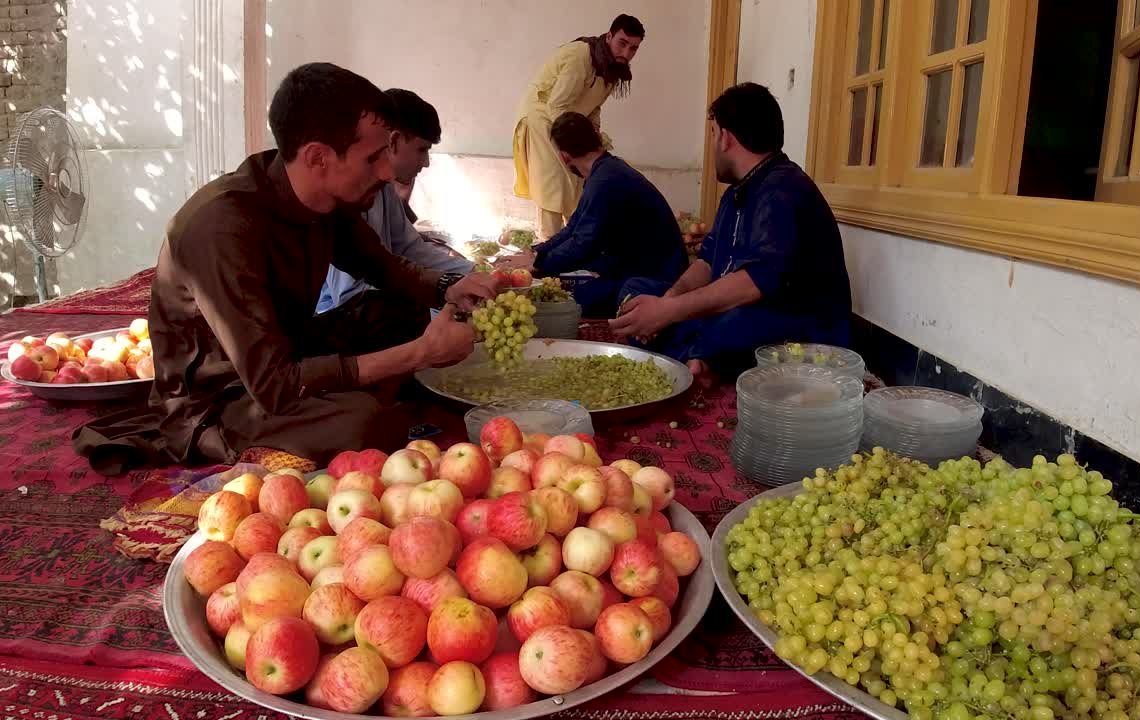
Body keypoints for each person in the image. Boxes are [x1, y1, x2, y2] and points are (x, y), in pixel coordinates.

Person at [72, 63, 502, 474]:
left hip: (291, 351)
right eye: (373, 158)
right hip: (223, 397)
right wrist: (420, 353)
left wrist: (449, 286)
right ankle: (335, 411)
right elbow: (274, 383)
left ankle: (349, 398)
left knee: (398, 310)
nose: (389, 172)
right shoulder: (222, 227)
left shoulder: (324, 200)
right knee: (363, 426)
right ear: (318, 157)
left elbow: (383, 267)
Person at [609, 82, 852, 381]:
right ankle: (697, 358)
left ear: (725, 137)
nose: (712, 144)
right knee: (638, 289)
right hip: (740, 311)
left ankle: (699, 358)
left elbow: (754, 284)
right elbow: (708, 260)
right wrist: (667, 302)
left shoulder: (782, 189)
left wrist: (668, 312)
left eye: (712, 134)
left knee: (729, 324)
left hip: (795, 325)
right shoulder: (738, 190)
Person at [500, 112, 686, 318]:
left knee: (569, 303)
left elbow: (583, 244)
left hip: (655, 280)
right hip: (637, 269)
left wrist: (538, 265)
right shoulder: (605, 172)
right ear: (596, 136)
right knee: (571, 290)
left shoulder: (605, 180)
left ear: (563, 156)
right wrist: (536, 252)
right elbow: (574, 227)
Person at [317, 88, 473, 314]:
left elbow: (407, 249)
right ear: (395, 141)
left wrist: (471, 274)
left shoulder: (384, 187)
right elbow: (351, 296)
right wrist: (440, 304)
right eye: (422, 150)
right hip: (343, 327)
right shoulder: (343, 195)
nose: (426, 163)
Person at [513, 14, 644, 241]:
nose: (626, 53)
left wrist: (594, 136)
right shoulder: (581, 56)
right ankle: (548, 247)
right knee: (554, 183)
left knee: (579, 179)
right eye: (622, 43)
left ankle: (574, 244)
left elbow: (593, 108)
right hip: (542, 118)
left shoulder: (613, 68)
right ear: (609, 36)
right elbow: (557, 105)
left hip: (569, 121)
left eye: (633, 48)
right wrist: (574, 141)